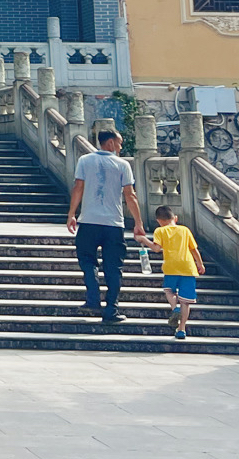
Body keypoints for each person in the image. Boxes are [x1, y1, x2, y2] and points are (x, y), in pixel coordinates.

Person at [66, 129, 145, 324]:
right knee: (113, 267)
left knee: (87, 260)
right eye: (119, 143)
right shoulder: (122, 165)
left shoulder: (85, 160)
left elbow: (78, 187)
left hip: (89, 221)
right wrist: (138, 223)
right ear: (110, 143)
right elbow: (130, 195)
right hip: (113, 224)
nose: (120, 147)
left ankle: (93, 299)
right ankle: (111, 309)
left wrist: (72, 214)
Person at [148, 204, 204, 340]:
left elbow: (156, 249)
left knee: (169, 291)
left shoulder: (160, 231)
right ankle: (182, 329)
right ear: (175, 218)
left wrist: (143, 239)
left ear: (159, 221)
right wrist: (200, 263)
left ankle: (174, 308)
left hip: (171, 267)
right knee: (186, 301)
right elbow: (194, 249)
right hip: (188, 267)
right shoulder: (185, 230)